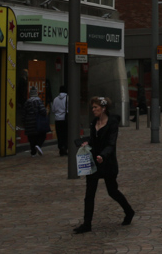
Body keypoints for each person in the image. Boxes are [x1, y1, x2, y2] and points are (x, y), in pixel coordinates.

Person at [73, 96, 134, 234]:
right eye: (92, 107)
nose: (93, 110)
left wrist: (103, 155)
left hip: (107, 162)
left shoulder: (112, 123)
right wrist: (85, 143)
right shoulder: (94, 122)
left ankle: (129, 211)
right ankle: (87, 223)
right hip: (94, 162)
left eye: (95, 107)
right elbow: (94, 140)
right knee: (89, 194)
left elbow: (111, 143)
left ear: (104, 108)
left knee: (112, 191)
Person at [23, 86, 47, 156]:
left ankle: (33, 151)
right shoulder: (38, 101)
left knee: (31, 137)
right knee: (42, 135)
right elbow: (43, 111)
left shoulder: (27, 102)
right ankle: (38, 145)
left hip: (29, 122)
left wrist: (24, 121)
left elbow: (24, 113)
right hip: (37, 122)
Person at [52, 86, 69, 156]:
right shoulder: (67, 98)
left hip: (57, 119)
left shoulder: (55, 99)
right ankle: (65, 147)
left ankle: (60, 147)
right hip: (65, 119)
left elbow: (53, 110)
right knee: (66, 134)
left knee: (59, 135)